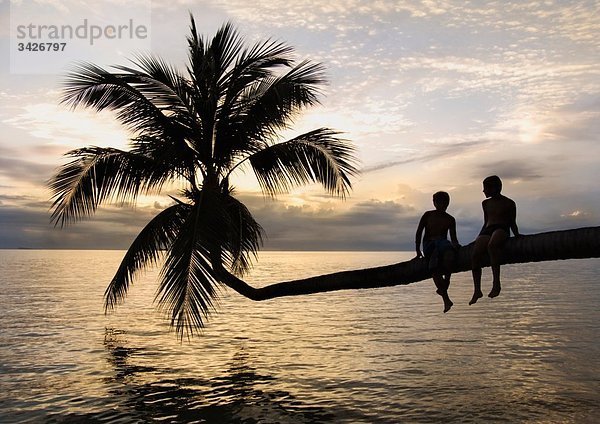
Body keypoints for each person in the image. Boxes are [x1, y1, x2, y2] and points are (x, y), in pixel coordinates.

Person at [469, 175, 520, 305]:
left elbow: (512, 222)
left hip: (502, 229)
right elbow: (486, 222)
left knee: (492, 246)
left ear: (495, 188)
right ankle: (477, 290)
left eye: (486, 188)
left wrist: (517, 235)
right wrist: (479, 237)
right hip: (488, 229)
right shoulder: (485, 203)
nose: (483, 191)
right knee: (475, 254)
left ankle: (496, 283)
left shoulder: (509, 203)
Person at [415, 191, 460, 313]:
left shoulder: (450, 219)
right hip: (430, 244)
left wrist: (456, 246)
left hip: (443, 244)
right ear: (434, 203)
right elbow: (419, 232)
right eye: (439, 202)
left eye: (445, 202)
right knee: (434, 266)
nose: (443, 205)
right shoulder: (428, 215)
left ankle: (447, 281)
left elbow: (454, 238)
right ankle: (446, 298)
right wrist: (418, 250)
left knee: (449, 255)